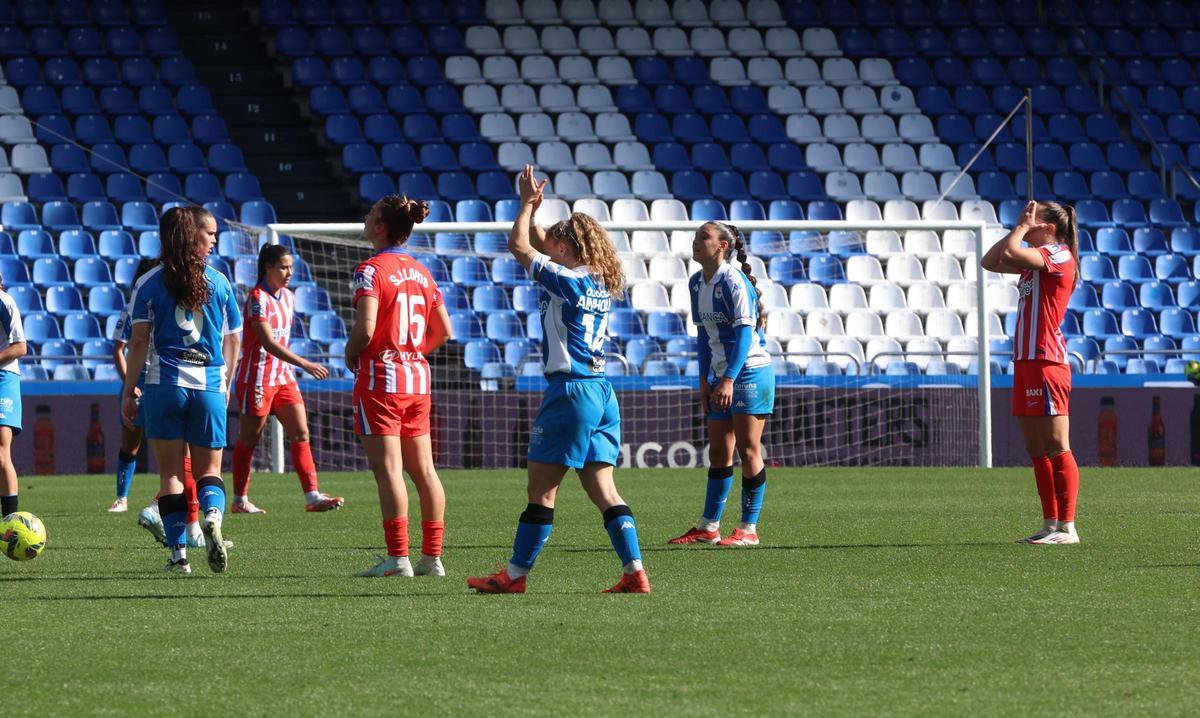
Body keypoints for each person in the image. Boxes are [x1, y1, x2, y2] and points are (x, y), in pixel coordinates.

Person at [468, 165, 649, 594]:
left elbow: (519, 244)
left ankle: (513, 577)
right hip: (602, 391)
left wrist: (523, 206)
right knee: (604, 490)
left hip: (570, 390)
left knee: (541, 491)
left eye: (553, 245)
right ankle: (635, 571)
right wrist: (534, 210)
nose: (546, 247)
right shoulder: (596, 280)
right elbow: (537, 239)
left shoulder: (565, 280)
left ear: (565, 249)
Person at [121, 205, 243, 574]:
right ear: (194, 237)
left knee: (171, 475)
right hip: (209, 384)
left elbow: (138, 342)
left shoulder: (149, 282)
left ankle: (179, 558)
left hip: (165, 385)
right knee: (210, 471)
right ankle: (213, 517)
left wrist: (129, 390)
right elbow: (233, 337)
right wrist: (225, 382)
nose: (213, 240)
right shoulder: (219, 281)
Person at [346, 195, 452, 578]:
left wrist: (349, 352)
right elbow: (444, 330)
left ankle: (398, 559)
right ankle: (432, 559)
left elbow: (366, 328)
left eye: (371, 213)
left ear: (380, 227)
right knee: (424, 470)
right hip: (417, 379)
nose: (365, 216)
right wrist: (411, 353)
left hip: (382, 379)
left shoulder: (371, 270)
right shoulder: (422, 272)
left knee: (389, 469)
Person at [981, 200, 1081, 545]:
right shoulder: (1034, 263)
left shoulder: (1057, 254)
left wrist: (1021, 229)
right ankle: (1050, 523)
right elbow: (990, 261)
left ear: (1048, 228)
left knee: (1057, 444)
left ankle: (1068, 527)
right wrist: (1021, 228)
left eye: (1033, 219)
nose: (1025, 221)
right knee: (1036, 448)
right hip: (1025, 360)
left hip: (1046, 359)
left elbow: (1011, 250)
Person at [669, 222, 774, 547]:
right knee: (718, 452)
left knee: (748, 448)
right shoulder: (696, 282)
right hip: (720, 376)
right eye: (695, 236)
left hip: (749, 372)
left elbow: (744, 335)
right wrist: (704, 379)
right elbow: (702, 334)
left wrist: (728, 379)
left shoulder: (733, 281)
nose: (695, 241)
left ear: (722, 246)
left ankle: (748, 529)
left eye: (704, 237)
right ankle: (709, 526)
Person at [230, 243, 343, 515]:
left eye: (291, 267)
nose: (289, 273)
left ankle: (312, 496)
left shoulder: (289, 297)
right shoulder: (257, 298)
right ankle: (240, 500)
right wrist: (305, 363)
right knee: (250, 439)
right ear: (268, 267)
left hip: (283, 377)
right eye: (283, 267)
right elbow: (268, 343)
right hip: (257, 378)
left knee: (301, 432)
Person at [0, 273, 26, 520]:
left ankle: (10, 521)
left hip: (3, 377)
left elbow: (20, 346)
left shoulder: (5, 302)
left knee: (1, 452)